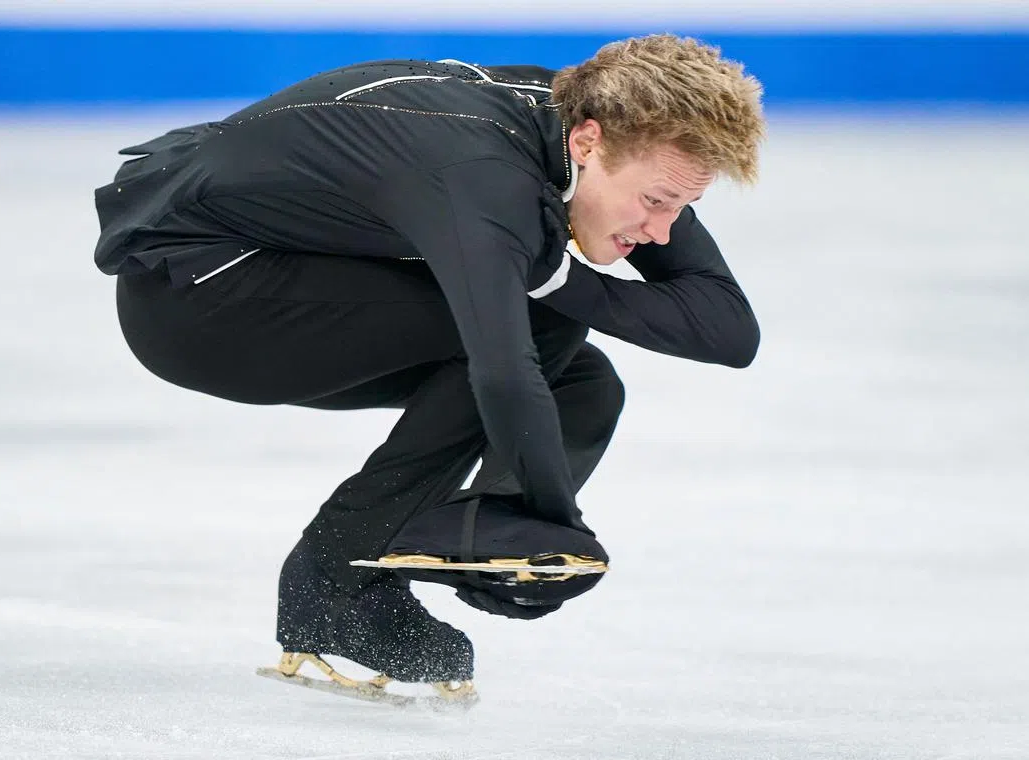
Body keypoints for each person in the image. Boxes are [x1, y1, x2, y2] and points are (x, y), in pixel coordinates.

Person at [93, 34, 765, 694]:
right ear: (589, 143)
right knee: (540, 330)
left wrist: (557, 276)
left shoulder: (591, 126)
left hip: (262, 273)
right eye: (654, 202)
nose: (661, 231)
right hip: (199, 303)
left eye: (682, 207)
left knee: (582, 386)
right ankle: (335, 582)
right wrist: (554, 527)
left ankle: (470, 525)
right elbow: (503, 369)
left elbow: (729, 332)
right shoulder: (486, 173)